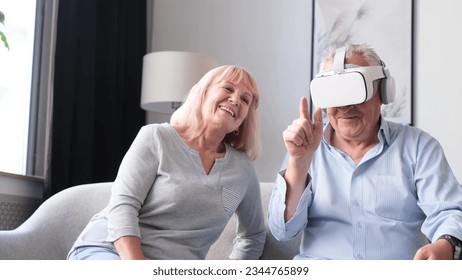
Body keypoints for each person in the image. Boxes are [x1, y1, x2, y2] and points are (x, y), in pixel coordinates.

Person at [268, 43, 462, 260]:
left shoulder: (419, 148)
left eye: (354, 91)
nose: (344, 106)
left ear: (382, 92)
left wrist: (446, 244)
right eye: (334, 94)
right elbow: (282, 231)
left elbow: (449, 212)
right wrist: (298, 162)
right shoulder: (304, 148)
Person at [67, 65, 266, 260]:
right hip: (109, 252)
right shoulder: (156, 137)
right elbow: (123, 206)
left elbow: (253, 236)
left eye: (245, 99)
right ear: (203, 93)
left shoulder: (243, 170)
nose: (235, 100)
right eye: (228, 88)